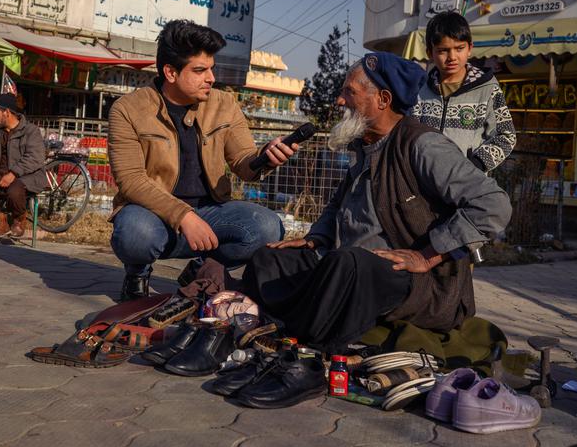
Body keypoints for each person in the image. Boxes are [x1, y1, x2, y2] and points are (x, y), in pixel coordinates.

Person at [243, 52, 512, 352]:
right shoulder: (366, 146)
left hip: (410, 281)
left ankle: (298, 337)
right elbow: (337, 205)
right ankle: (285, 324)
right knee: (268, 260)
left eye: (349, 92)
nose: (339, 101)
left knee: (346, 264)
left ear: (383, 99)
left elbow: (494, 204)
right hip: (349, 269)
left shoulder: (423, 145)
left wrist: (427, 255)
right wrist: (315, 238)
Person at [108, 19, 299, 302]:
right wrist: (183, 215)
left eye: (211, 68)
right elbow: (131, 180)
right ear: (170, 72)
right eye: (199, 70)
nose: (211, 77)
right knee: (134, 233)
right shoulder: (128, 109)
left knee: (268, 227)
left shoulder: (225, 104)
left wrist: (265, 158)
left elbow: (243, 161)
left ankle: (202, 268)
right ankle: (137, 271)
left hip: (211, 212)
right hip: (153, 213)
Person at [412, 11, 516, 172]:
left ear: (470, 48)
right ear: (429, 53)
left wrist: (474, 166)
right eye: (442, 50)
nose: (452, 57)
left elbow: (506, 136)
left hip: (467, 188)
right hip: (423, 185)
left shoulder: (488, 89)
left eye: (459, 48)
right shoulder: (420, 90)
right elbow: (409, 135)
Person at [0, 93, 47, 239]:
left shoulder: (31, 131)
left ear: (7, 112)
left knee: (14, 190)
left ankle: (19, 218)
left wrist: (13, 174)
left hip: (26, 176)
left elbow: (35, 157)